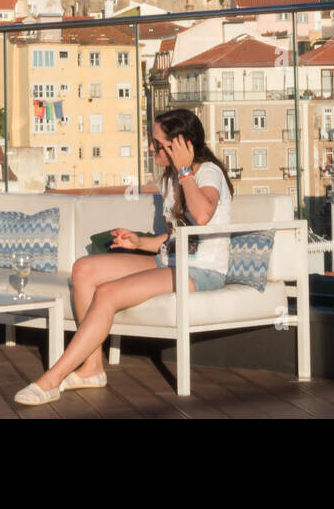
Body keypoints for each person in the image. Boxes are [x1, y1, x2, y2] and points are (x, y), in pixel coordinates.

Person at [14, 107, 233, 405]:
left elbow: (203, 216)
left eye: (158, 144)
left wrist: (185, 171)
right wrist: (139, 242)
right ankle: (92, 368)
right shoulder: (170, 179)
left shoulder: (208, 173)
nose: (151, 148)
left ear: (181, 145)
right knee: (84, 269)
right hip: (170, 260)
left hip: (202, 270)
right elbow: (176, 234)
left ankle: (53, 378)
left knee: (108, 292)